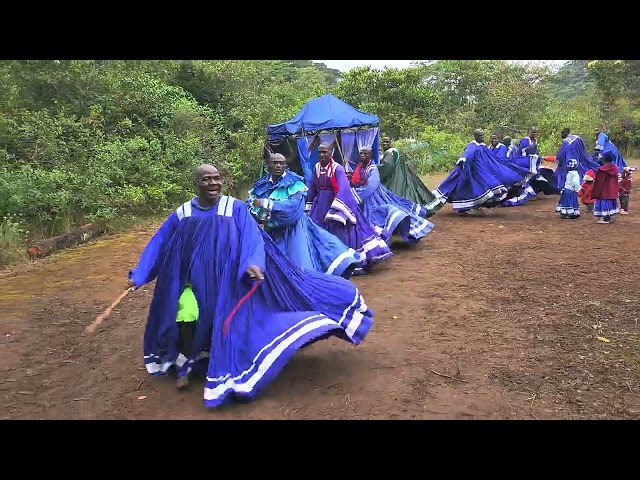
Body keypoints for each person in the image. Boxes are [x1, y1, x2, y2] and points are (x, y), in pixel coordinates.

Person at [126, 164, 375, 407]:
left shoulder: (234, 208)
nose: (213, 183)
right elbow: (159, 243)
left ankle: (222, 361)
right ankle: (188, 365)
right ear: (197, 183)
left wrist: (253, 262)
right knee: (186, 316)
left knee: (225, 320)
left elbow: (251, 237)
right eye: (206, 179)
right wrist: (139, 275)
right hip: (194, 281)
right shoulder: (183, 214)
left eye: (216, 178)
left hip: (228, 281)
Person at [247, 153, 363, 278]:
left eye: (281, 163)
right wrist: (259, 212)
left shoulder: (294, 183)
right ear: (268, 166)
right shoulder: (262, 184)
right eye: (275, 163)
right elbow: (251, 205)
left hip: (295, 230)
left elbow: (292, 209)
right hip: (272, 232)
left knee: (299, 263)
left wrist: (265, 204)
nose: (278, 166)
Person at [306, 142, 393, 273]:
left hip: (336, 202)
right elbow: (312, 187)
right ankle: (324, 262)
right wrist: (308, 205)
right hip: (320, 206)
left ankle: (347, 262)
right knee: (317, 231)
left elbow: (344, 187)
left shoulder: (338, 168)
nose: (322, 154)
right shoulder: (316, 168)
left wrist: (337, 208)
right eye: (320, 152)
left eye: (325, 152)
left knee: (342, 232)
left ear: (331, 153)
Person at [426, 128, 533, 214]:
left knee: (484, 188)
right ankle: (462, 207)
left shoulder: (483, 146)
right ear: (476, 136)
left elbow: (489, 158)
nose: (483, 137)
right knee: (470, 189)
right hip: (471, 172)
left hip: (482, 171)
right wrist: (463, 161)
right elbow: (468, 155)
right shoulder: (473, 145)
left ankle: (471, 206)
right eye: (481, 136)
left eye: (483, 135)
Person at [350, 146, 434, 245]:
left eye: (366, 154)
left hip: (374, 197)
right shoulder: (361, 168)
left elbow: (371, 186)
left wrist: (357, 196)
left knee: (375, 215)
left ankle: (381, 238)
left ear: (371, 156)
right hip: (366, 196)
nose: (363, 156)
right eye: (361, 154)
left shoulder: (373, 169)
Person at [377, 136, 439, 217]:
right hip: (401, 177)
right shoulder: (392, 152)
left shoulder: (390, 153)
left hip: (395, 179)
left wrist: (374, 168)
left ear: (391, 142)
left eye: (387, 142)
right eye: (383, 142)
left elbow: (387, 166)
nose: (385, 144)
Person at [591, 152, 620, 224]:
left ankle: (605, 219)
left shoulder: (601, 170)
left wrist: (596, 191)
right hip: (612, 190)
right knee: (610, 202)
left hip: (604, 190)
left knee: (604, 202)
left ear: (603, 160)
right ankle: (609, 217)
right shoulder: (615, 168)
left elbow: (599, 181)